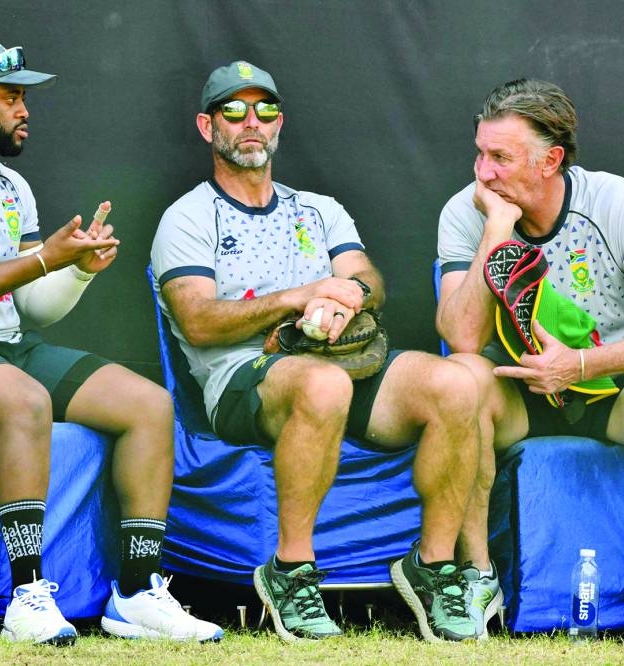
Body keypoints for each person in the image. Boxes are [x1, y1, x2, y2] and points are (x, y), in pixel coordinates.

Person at [0, 39, 222, 645]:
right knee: (25, 399)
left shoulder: (12, 187)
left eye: (24, 97)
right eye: (10, 97)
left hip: (2, 349)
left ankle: (135, 594)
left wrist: (76, 270)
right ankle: (27, 597)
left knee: (149, 405)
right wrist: (42, 259)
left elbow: (31, 310)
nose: (24, 109)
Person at [151, 60, 483, 643]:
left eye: (265, 109)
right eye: (233, 110)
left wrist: (345, 297)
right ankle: (290, 572)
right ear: (208, 127)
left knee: (458, 383)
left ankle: (431, 567)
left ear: (280, 123)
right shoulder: (186, 217)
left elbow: (368, 280)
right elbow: (198, 323)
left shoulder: (319, 209)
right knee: (321, 386)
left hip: (343, 363)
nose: (251, 122)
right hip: (242, 379)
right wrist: (299, 297)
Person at [436, 78, 624, 649]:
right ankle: (476, 575)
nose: (482, 172)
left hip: (612, 395)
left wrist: (581, 364)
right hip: (517, 393)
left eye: (500, 158)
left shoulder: (611, 200)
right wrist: (496, 230)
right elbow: (462, 337)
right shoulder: (468, 212)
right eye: (479, 153)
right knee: (459, 379)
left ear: (551, 161)